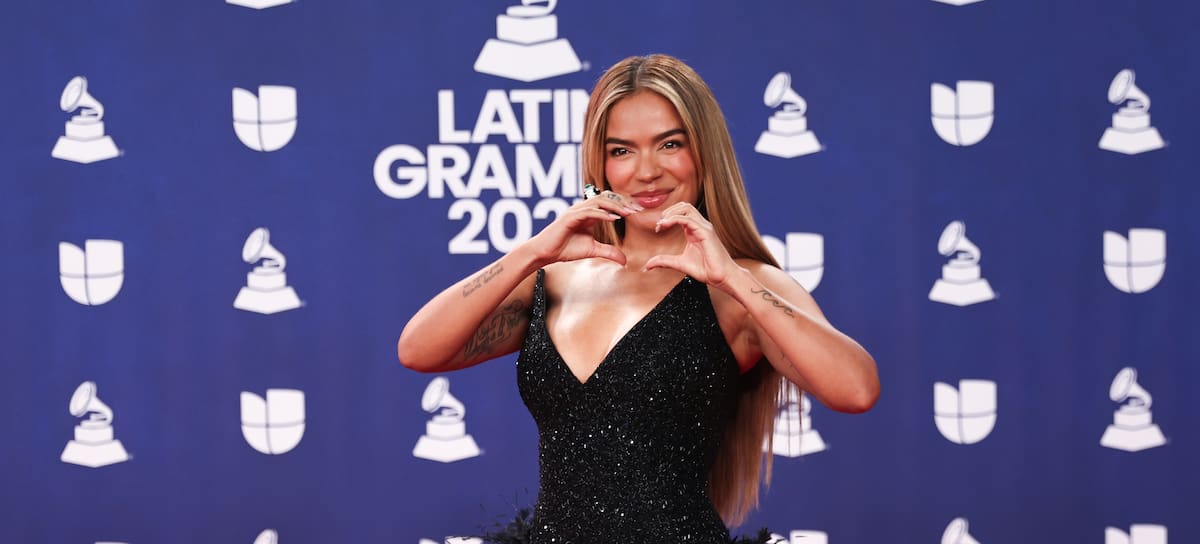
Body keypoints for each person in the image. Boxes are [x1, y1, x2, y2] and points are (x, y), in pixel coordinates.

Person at [398, 54, 879, 542]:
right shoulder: (550, 279)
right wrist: (531, 253)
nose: (646, 171)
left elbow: (856, 390)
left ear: (704, 152)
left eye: (670, 144)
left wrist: (735, 280)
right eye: (622, 150)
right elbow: (418, 349)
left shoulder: (742, 287)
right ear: (601, 164)